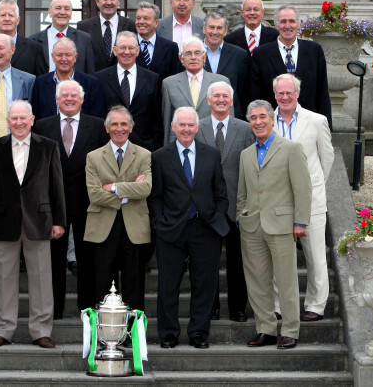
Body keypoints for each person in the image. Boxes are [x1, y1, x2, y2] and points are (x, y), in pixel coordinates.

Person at [0, 100, 66, 349]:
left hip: (39, 221)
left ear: (32, 119)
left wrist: (59, 221)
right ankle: (4, 329)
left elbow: (56, 186)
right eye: (14, 118)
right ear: (7, 121)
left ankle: (41, 330)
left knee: (41, 277)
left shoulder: (48, 147)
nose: (18, 122)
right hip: (4, 220)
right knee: (4, 277)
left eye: (23, 118)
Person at [150, 106, 229, 349]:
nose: (186, 129)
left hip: (204, 229)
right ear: (173, 127)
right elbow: (155, 196)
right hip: (171, 230)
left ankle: (198, 333)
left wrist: (216, 218)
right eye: (181, 125)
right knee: (167, 285)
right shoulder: (160, 156)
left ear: (197, 127)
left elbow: (221, 194)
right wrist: (159, 222)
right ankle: (169, 334)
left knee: (204, 285)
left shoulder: (211, 154)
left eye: (190, 125)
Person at [237, 100, 312, 350]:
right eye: (253, 118)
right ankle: (265, 329)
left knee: (286, 280)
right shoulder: (246, 154)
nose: (258, 122)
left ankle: (290, 330)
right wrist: (242, 215)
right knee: (257, 281)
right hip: (252, 227)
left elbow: (302, 188)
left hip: (282, 225)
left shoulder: (291, 149)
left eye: (262, 117)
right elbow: (242, 192)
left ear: (271, 119)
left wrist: (300, 221)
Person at [34, 80, 109, 318]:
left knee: (87, 258)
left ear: (82, 100)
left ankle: (86, 308)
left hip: (88, 202)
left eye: (74, 95)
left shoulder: (97, 126)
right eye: (64, 95)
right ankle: (54, 309)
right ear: (56, 99)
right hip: (52, 202)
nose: (69, 98)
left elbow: (104, 162)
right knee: (54, 259)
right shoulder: (43, 126)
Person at [272, 74, 334, 322]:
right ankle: (277, 305)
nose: (285, 97)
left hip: (312, 200)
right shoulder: (265, 120)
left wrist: (312, 186)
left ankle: (315, 305)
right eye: (280, 93)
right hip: (278, 201)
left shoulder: (317, 121)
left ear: (297, 93)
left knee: (316, 256)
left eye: (289, 92)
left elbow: (326, 158)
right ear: (275, 95)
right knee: (278, 256)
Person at [195, 81, 255, 322]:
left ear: (231, 101)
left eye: (225, 96)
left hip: (236, 206)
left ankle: (237, 307)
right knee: (207, 263)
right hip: (206, 207)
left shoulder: (246, 128)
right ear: (208, 101)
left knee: (237, 263)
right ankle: (211, 307)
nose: (220, 99)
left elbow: (252, 167)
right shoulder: (197, 128)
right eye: (216, 96)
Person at [84, 105, 152, 310]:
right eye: (114, 124)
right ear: (106, 128)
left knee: (134, 283)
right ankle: (106, 336)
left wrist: (113, 187)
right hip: (103, 226)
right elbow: (94, 194)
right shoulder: (93, 157)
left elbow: (146, 188)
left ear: (131, 128)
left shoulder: (144, 155)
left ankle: (133, 335)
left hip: (134, 227)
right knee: (103, 283)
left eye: (124, 124)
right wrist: (128, 193)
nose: (119, 128)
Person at [250, 5, 332, 129]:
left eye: (292, 21)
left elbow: (322, 91)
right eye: (283, 21)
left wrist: (326, 126)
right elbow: (255, 95)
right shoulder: (261, 54)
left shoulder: (314, 51)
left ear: (298, 24)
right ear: (277, 24)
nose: (288, 26)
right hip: (273, 125)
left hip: (308, 124)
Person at [95, 31, 162, 151]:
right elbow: (98, 116)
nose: (127, 52)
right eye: (122, 48)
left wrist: (155, 148)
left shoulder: (153, 79)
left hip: (144, 148)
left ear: (138, 50)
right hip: (109, 147)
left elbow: (156, 119)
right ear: (115, 50)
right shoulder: (100, 79)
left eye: (131, 48)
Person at [162, 36, 230, 144]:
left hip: (212, 141)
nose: (193, 57)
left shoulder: (221, 81)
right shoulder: (169, 83)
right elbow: (166, 122)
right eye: (188, 53)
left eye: (197, 53)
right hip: (180, 142)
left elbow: (230, 119)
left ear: (204, 57)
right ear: (181, 58)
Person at [30, 37, 105, 120]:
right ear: (53, 57)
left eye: (68, 55)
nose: (64, 59)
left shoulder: (91, 83)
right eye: (59, 55)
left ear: (75, 57)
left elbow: (97, 119)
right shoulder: (40, 83)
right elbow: (35, 117)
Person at [0, 0, 47, 76]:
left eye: (11, 15)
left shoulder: (34, 49)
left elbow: (41, 82)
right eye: (3, 15)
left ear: (18, 20)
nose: (7, 19)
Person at [76, 0, 137, 72]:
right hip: (94, 82)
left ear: (118, 1)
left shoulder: (131, 26)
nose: (109, 2)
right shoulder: (83, 27)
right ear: (97, 1)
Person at [29, 0, 95, 74]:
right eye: (58, 8)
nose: (62, 12)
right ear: (50, 12)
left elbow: (90, 73)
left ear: (71, 13)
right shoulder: (34, 40)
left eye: (67, 9)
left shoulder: (84, 39)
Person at [203, 12, 250, 119]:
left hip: (232, 116)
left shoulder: (240, 55)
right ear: (204, 29)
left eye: (219, 28)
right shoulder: (194, 53)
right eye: (211, 27)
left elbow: (243, 91)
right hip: (201, 116)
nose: (215, 32)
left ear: (225, 31)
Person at [134, 1, 181, 80]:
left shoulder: (171, 48)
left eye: (146, 18)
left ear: (156, 23)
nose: (141, 22)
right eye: (138, 18)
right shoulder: (126, 46)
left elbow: (175, 79)